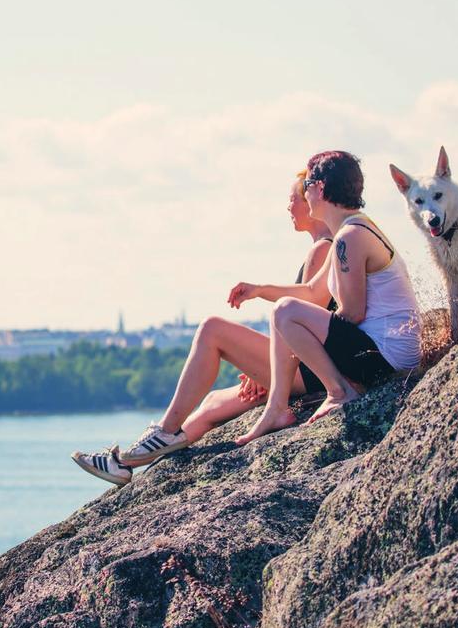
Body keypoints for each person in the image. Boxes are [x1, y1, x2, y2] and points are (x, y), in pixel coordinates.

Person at [72, 170, 334, 486]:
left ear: (310, 202)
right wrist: (262, 366)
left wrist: (268, 367)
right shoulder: (323, 247)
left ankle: (165, 429)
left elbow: (309, 323)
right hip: (306, 371)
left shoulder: (322, 248)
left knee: (212, 329)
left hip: (311, 373)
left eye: (293, 199)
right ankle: (124, 464)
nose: (289, 208)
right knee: (211, 404)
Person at [228, 149, 422, 444]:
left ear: (319, 188)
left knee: (286, 313)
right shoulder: (352, 228)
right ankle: (276, 408)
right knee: (284, 312)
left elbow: (353, 312)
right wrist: (259, 290)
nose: (304, 195)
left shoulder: (349, 237)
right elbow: (312, 293)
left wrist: (304, 342)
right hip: (382, 353)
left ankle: (339, 391)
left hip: (387, 360)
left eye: (306, 187)